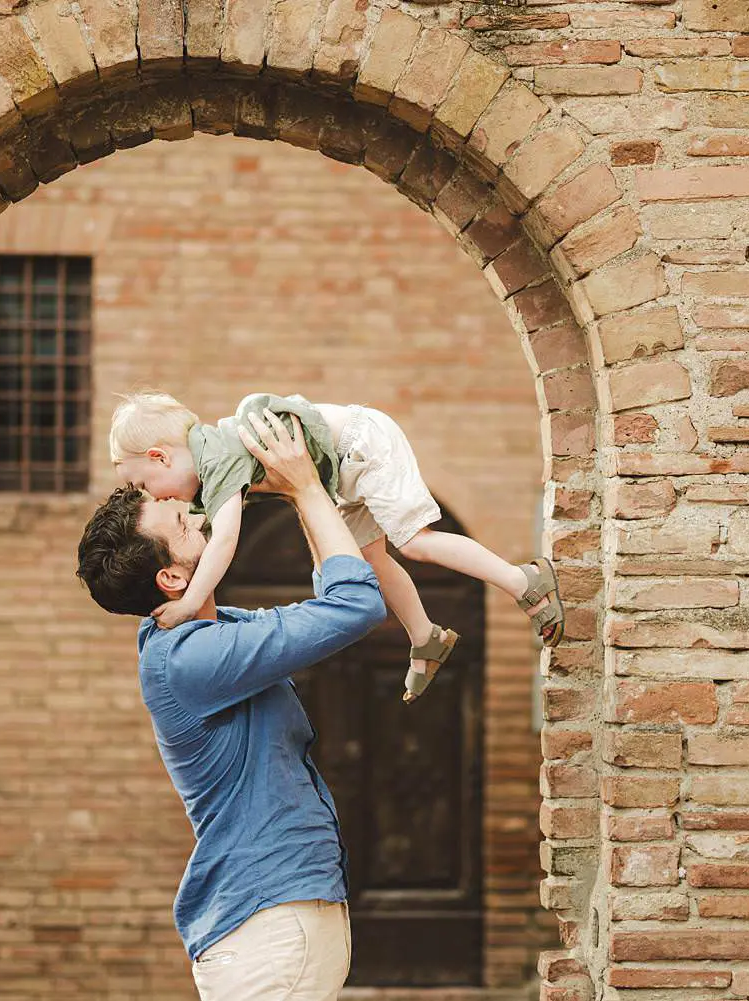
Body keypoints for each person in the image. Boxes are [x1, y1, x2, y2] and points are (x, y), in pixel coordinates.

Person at [76, 409, 384, 1000]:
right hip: (269, 928)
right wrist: (308, 488)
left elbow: (330, 600)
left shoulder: (213, 634)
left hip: (277, 922)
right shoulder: (195, 658)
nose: (201, 513)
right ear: (171, 579)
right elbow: (355, 606)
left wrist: (299, 493)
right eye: (183, 522)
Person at [109, 390, 566, 701]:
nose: (158, 499)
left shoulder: (217, 458)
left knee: (415, 542)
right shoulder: (211, 469)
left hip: (361, 443)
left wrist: (190, 603)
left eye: (148, 486)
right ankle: (425, 636)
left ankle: (521, 579)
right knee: (368, 559)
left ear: (160, 457)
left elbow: (225, 539)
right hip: (341, 473)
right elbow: (208, 531)